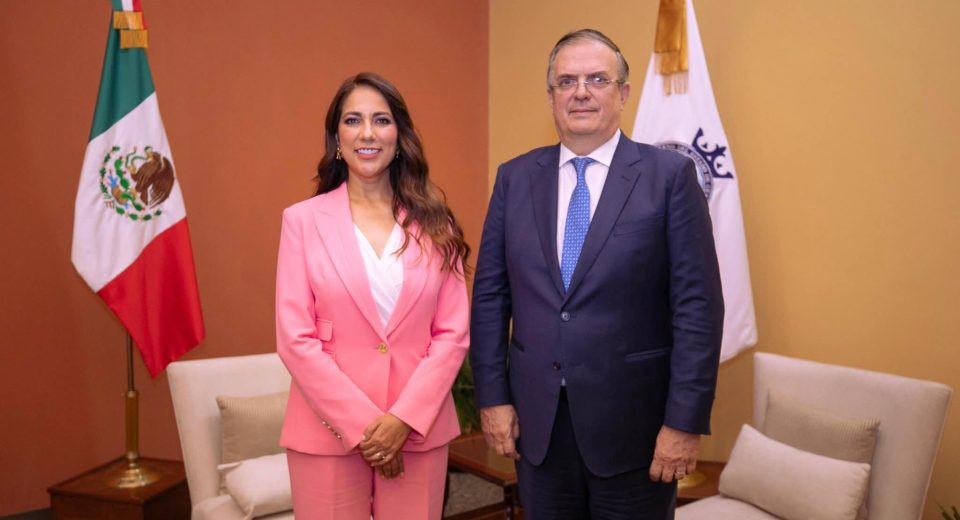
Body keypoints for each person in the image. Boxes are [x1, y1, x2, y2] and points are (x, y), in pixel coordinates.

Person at [470, 29, 724, 519]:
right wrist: (493, 399)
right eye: (566, 81)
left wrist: (683, 423)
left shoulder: (669, 178)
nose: (581, 92)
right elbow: (489, 299)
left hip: (638, 434)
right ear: (551, 98)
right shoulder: (514, 178)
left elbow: (698, 310)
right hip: (537, 429)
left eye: (597, 79)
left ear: (623, 93)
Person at [276, 72, 470, 519]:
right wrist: (368, 429)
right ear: (337, 138)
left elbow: (453, 334)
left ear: (399, 137)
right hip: (325, 434)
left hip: (417, 432)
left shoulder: (438, 225)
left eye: (381, 120)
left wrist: (402, 421)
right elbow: (295, 339)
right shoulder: (301, 222)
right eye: (353, 120)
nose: (367, 133)